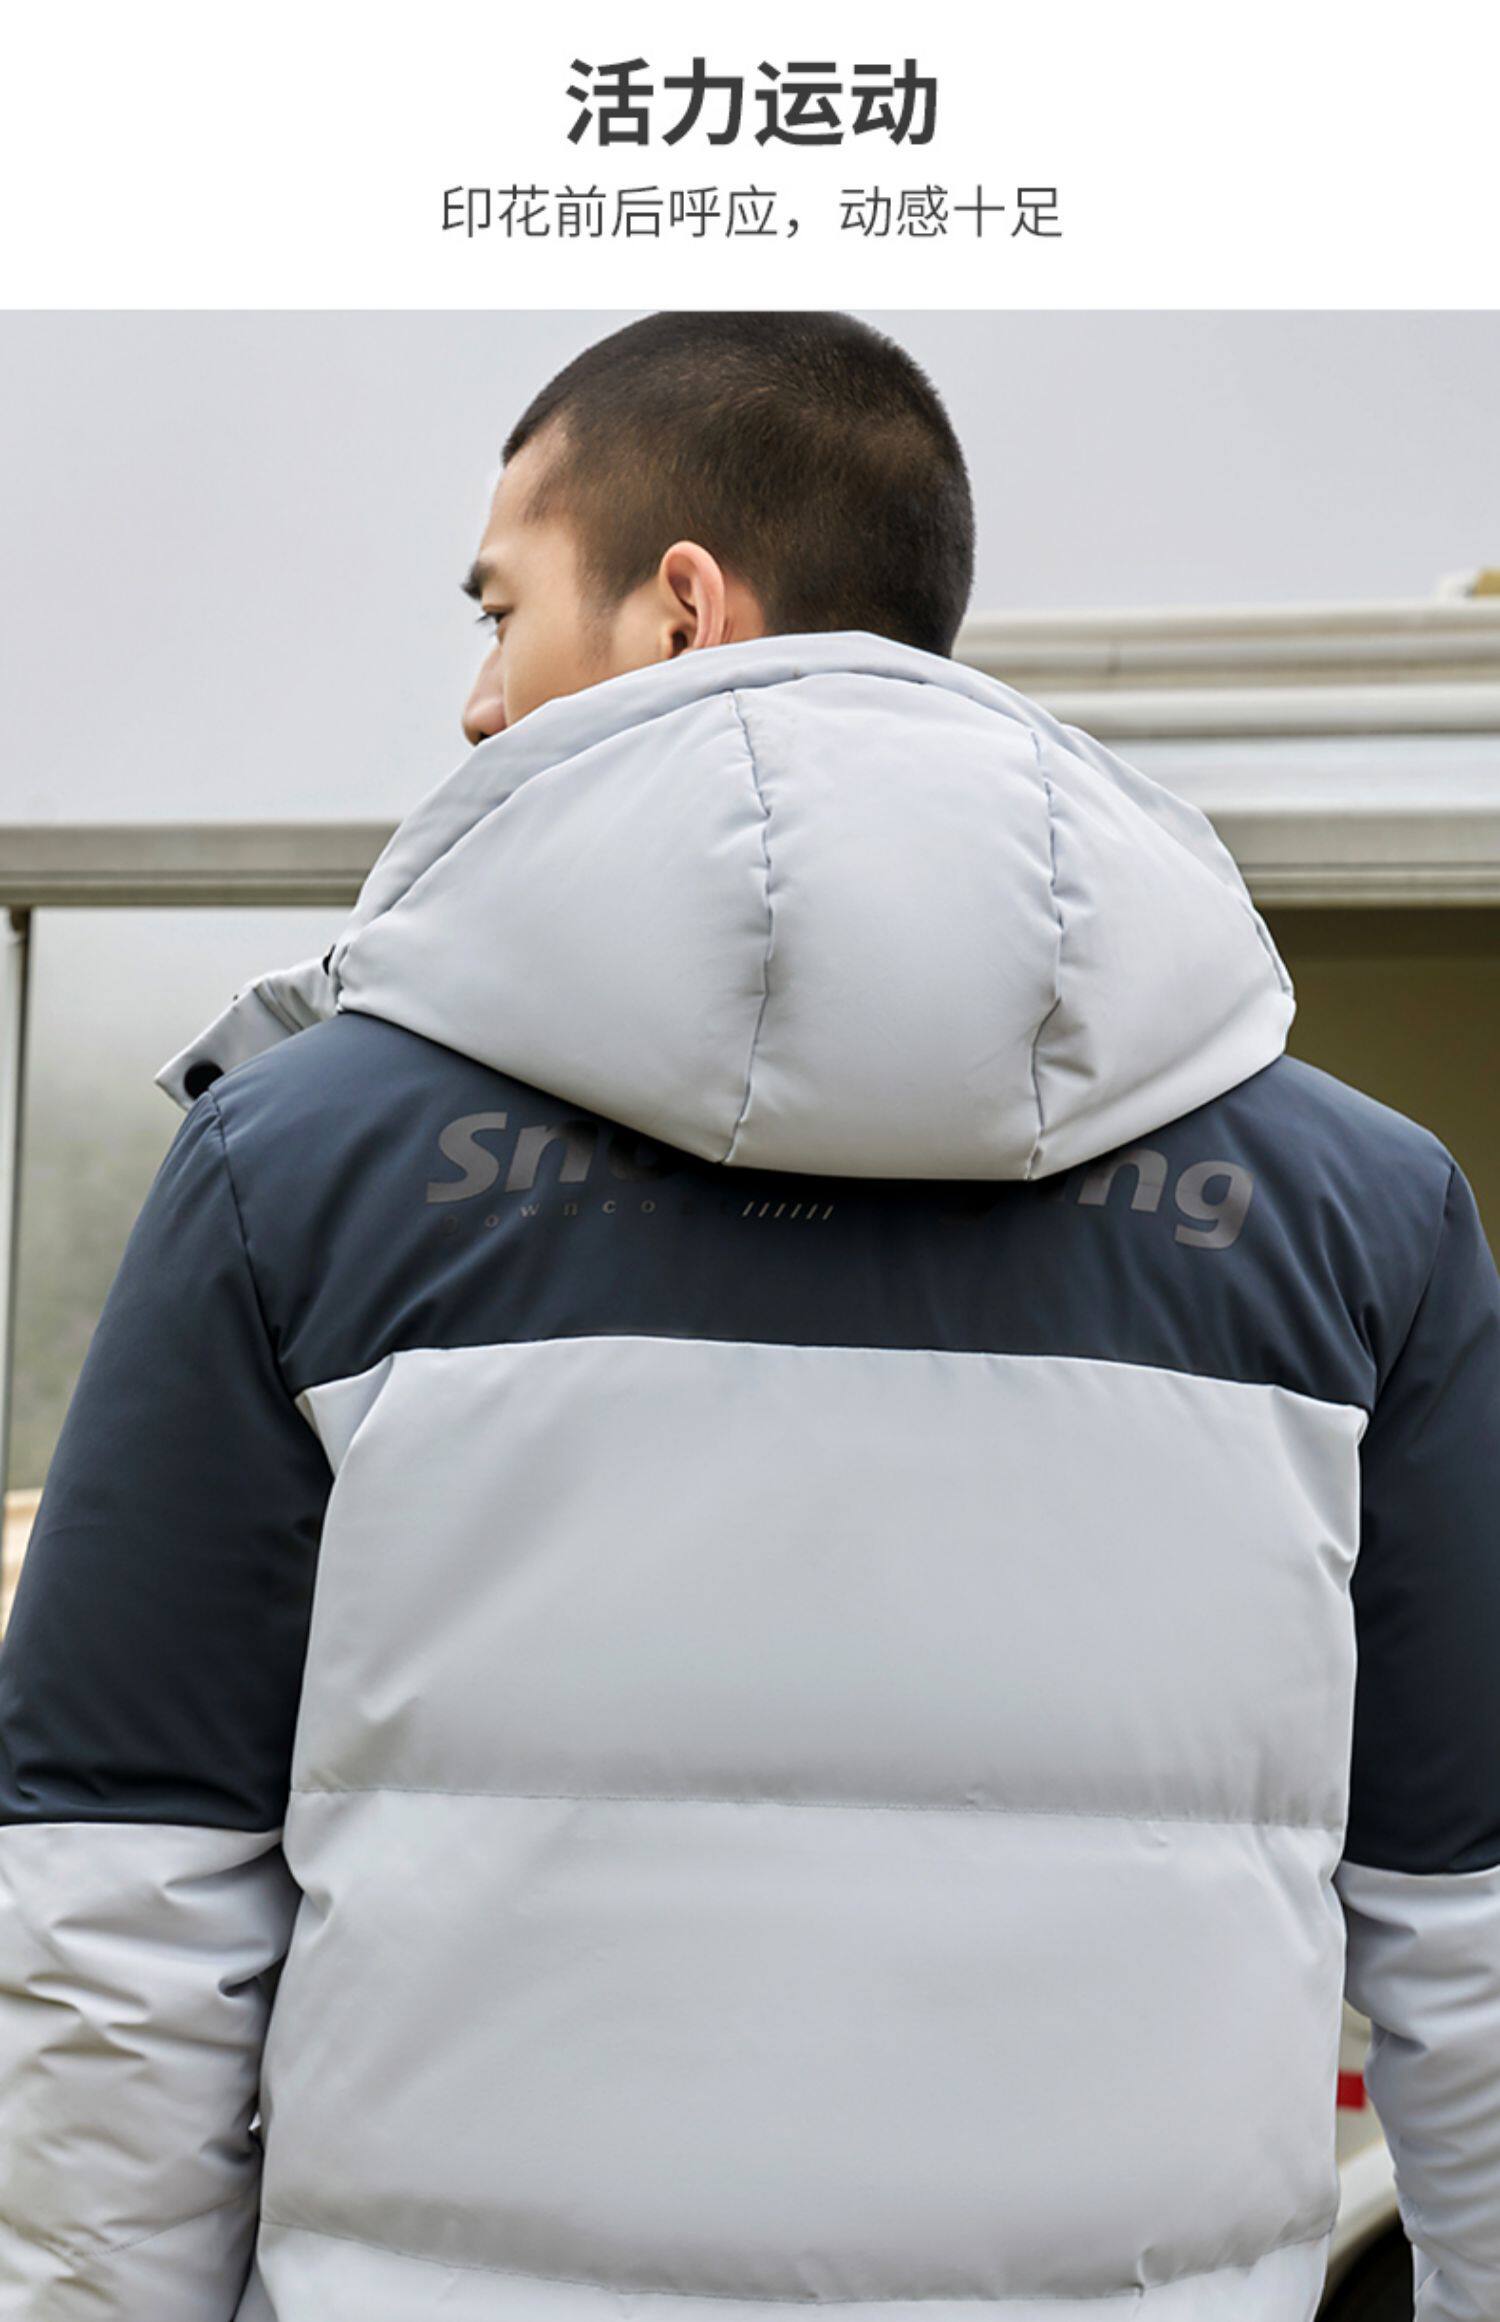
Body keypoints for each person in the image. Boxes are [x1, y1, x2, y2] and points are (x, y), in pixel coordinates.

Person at [0, 309, 1496, 2322]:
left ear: (682, 607)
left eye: (501, 609)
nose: (475, 700)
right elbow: (1471, 1932)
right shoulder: (1362, 1218)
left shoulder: (298, 1167)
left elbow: (120, 1911)